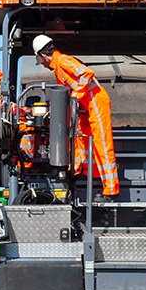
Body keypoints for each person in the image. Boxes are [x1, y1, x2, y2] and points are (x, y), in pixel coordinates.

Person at [33, 35, 119, 200]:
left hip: (96, 102)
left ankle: (111, 190)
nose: (42, 65)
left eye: (41, 61)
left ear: (44, 56)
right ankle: (80, 172)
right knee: (81, 140)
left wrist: (75, 97)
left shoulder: (63, 61)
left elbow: (87, 73)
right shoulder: (58, 68)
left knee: (102, 144)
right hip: (86, 107)